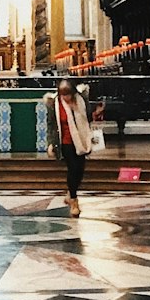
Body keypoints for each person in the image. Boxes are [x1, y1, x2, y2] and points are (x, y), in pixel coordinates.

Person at [45, 79, 103, 217]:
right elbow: (51, 125)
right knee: (73, 168)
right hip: (65, 141)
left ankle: (70, 194)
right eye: (63, 95)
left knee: (80, 169)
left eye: (68, 95)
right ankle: (74, 200)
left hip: (81, 140)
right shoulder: (55, 103)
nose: (66, 98)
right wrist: (51, 143)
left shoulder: (81, 99)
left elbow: (87, 116)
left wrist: (96, 113)